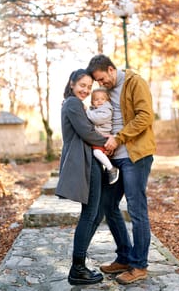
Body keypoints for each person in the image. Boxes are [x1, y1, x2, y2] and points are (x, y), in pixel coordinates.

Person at [86, 55, 156, 285]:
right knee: (108, 204)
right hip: (116, 157)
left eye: (102, 79)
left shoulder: (135, 82)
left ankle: (139, 265)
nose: (101, 84)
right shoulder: (106, 90)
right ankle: (125, 256)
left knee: (136, 209)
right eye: (98, 81)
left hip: (135, 155)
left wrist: (119, 138)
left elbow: (145, 116)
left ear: (111, 69)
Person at [55, 69, 107, 286]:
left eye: (89, 86)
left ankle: (80, 263)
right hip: (85, 161)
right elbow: (87, 132)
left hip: (90, 159)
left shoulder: (76, 104)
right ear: (72, 83)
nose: (85, 89)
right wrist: (110, 140)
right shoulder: (73, 103)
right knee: (90, 213)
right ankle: (78, 268)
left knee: (98, 212)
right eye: (82, 85)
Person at [86, 88, 119, 184]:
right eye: (96, 99)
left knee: (97, 152)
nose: (99, 101)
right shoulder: (94, 110)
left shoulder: (106, 110)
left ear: (107, 101)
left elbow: (97, 120)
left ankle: (111, 169)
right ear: (92, 102)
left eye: (102, 99)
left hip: (104, 137)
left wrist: (86, 111)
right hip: (98, 136)